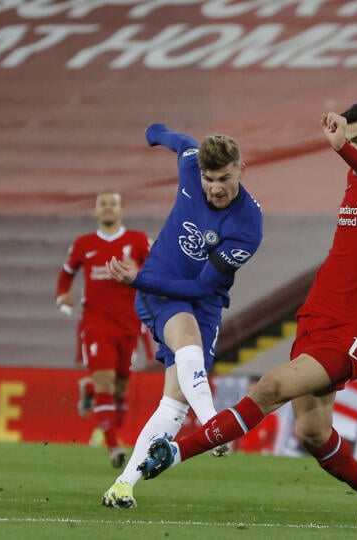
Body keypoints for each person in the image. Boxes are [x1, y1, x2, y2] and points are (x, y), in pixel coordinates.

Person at [135, 99, 357, 524]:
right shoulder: (355, 176)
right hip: (318, 313)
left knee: (271, 386)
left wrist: (341, 149)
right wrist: (348, 152)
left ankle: (175, 452)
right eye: (350, 140)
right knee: (311, 433)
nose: (353, 148)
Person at [99, 125, 264, 508]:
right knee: (186, 337)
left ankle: (122, 486)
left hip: (203, 298)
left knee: (174, 404)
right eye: (209, 179)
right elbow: (181, 143)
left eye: (225, 178)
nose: (216, 188)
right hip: (159, 286)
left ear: (242, 168)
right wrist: (153, 132)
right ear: (200, 173)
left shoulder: (248, 226)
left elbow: (203, 288)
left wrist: (133, 278)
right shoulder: (191, 165)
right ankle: (213, 424)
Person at [55, 190, 151, 468]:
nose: (108, 209)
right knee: (106, 382)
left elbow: (160, 267)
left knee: (120, 388)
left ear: (122, 211)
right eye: (103, 204)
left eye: (113, 204)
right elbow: (66, 273)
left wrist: (140, 271)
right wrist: (62, 294)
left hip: (130, 323)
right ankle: (113, 447)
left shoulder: (138, 240)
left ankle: (93, 398)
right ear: (96, 211)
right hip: (96, 323)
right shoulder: (84, 244)